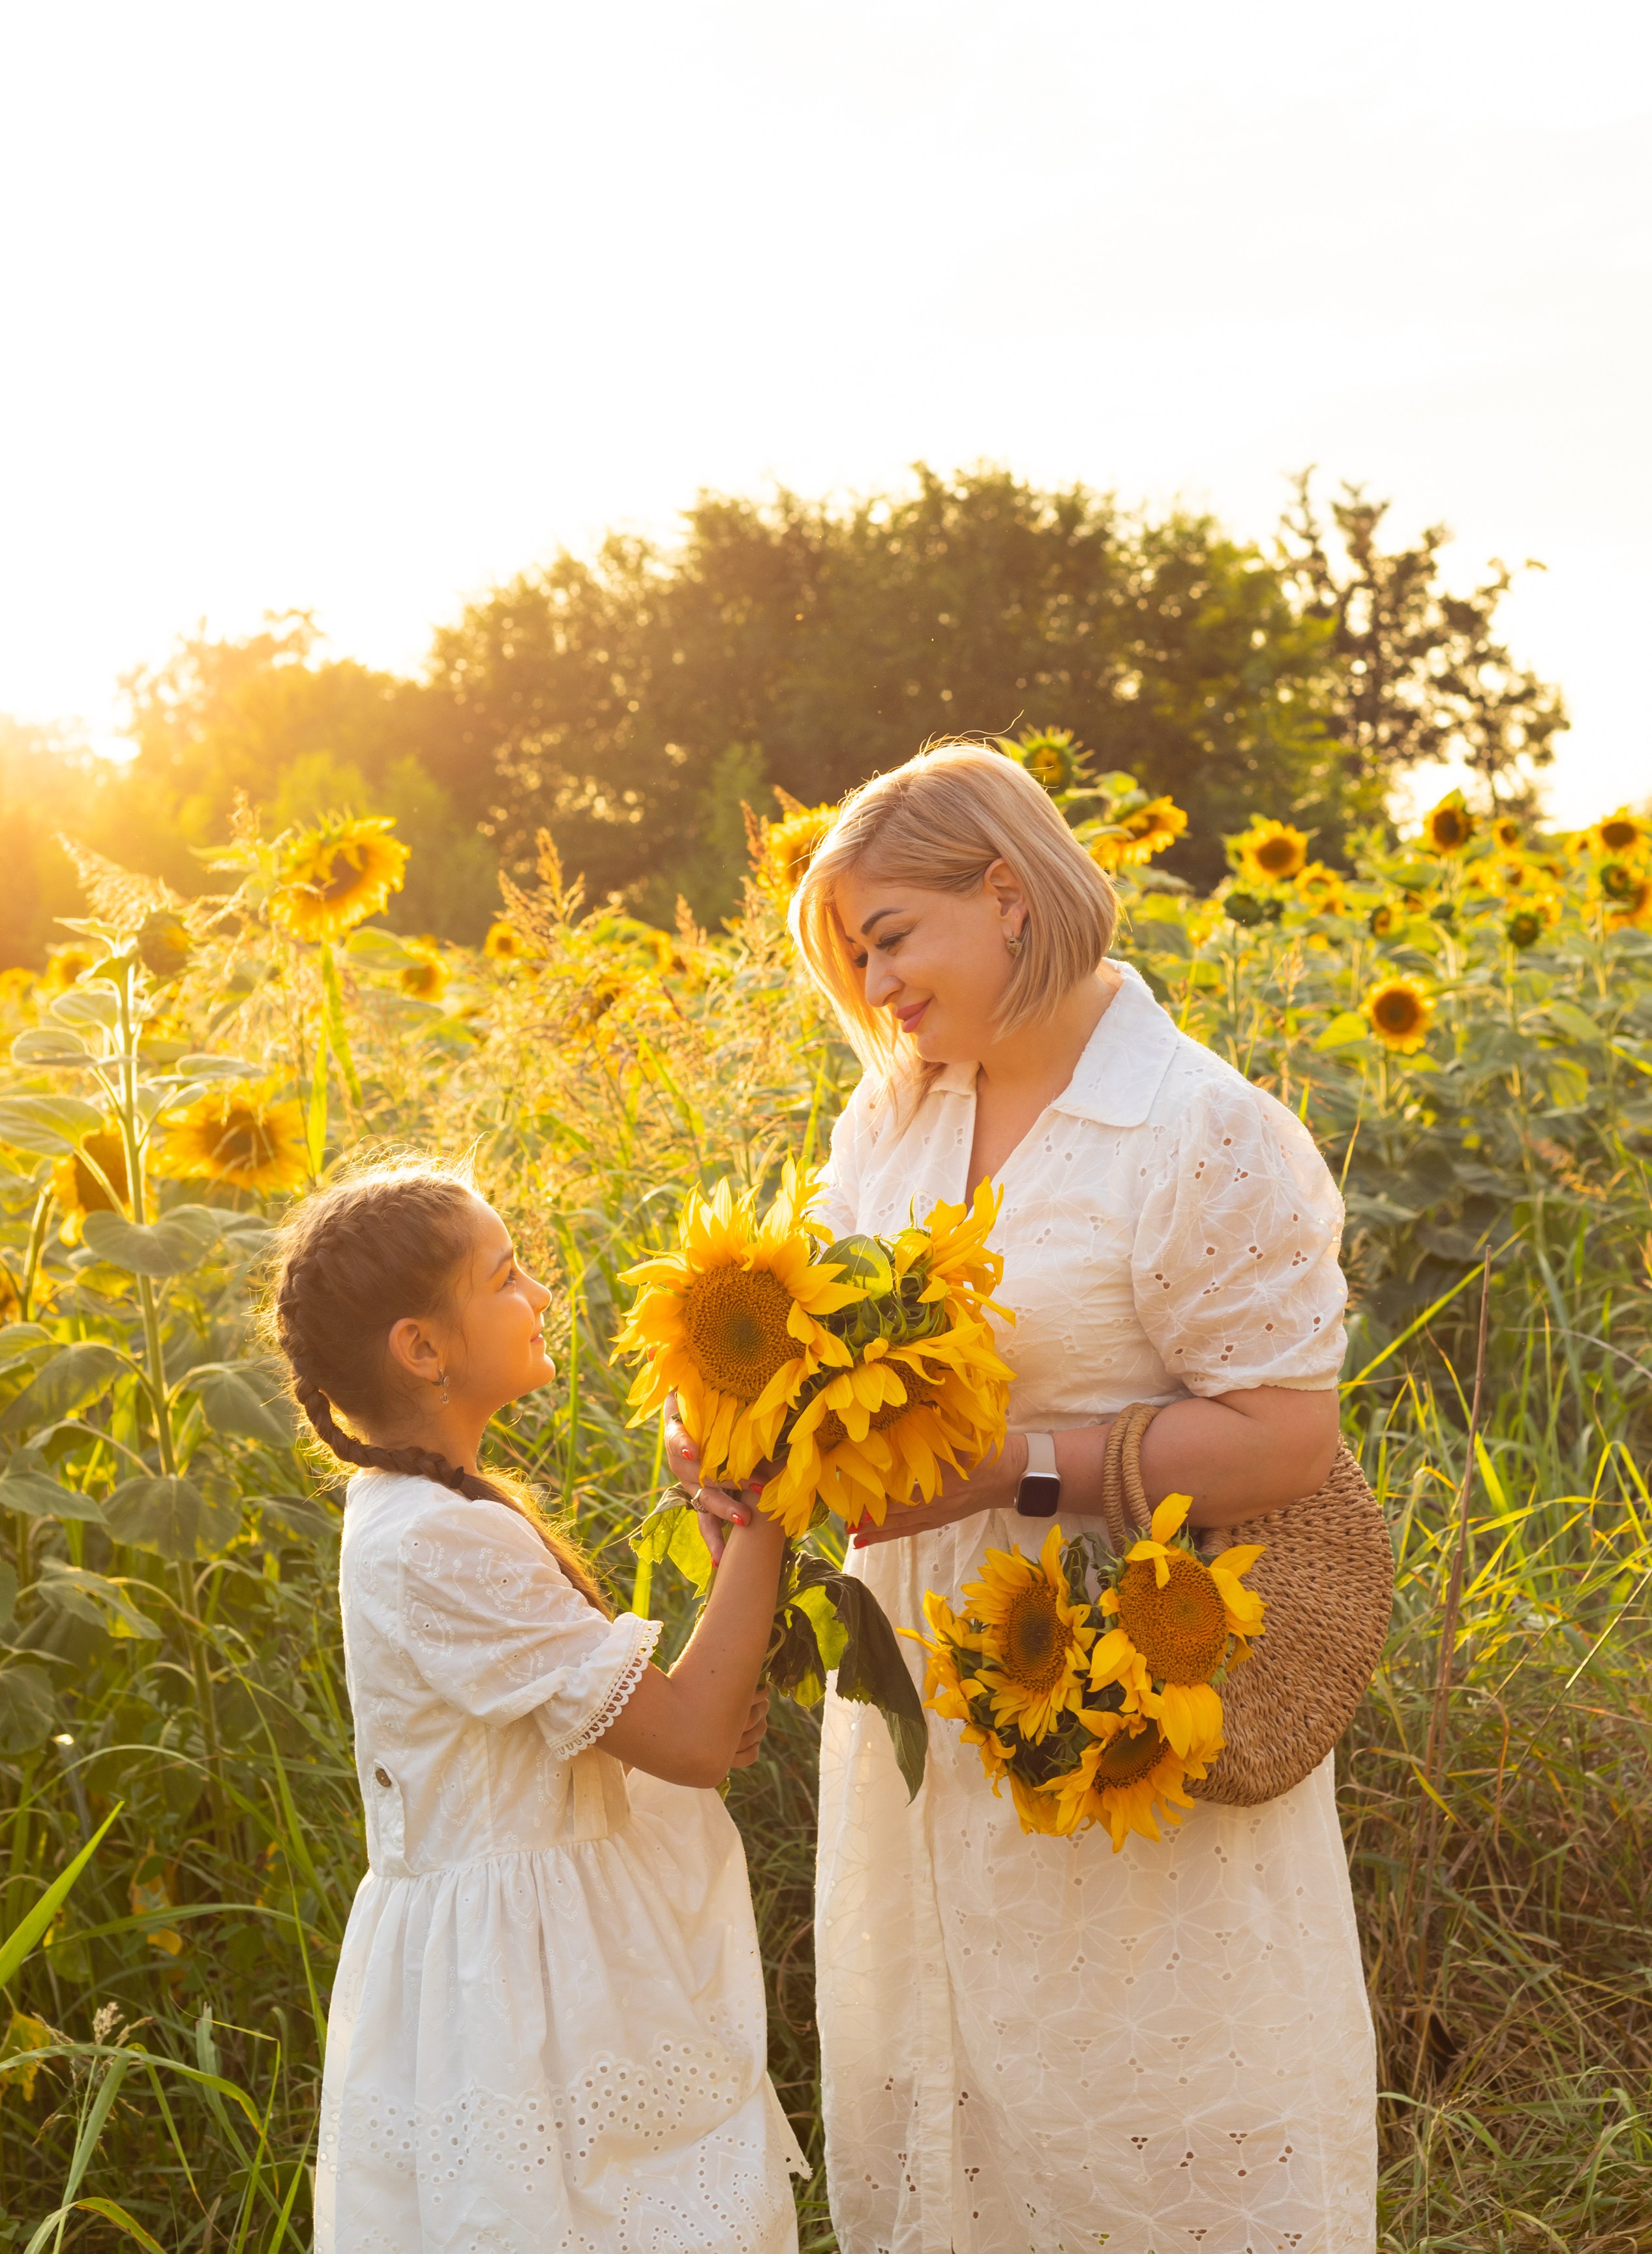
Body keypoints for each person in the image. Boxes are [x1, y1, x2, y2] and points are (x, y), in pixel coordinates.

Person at [672, 744, 1378, 2254]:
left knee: (1144, 2073)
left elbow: (1283, 1439)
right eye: (853, 959)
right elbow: (822, 1345)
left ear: (1005, 897)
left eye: (888, 939)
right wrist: (746, 1430)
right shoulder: (898, 1121)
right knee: (946, 2061)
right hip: (927, 1676)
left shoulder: (1197, 1128)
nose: (873, 988)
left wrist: (1012, 1471)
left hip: (1130, 1663)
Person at [270, 1160, 806, 2253]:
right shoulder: (436, 1538)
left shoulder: (421, 1510)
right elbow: (696, 1741)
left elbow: (650, 1724)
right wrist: (766, 1507)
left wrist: (679, 1704)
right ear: (422, 1350)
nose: (543, 1298)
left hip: (523, 1945)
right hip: (523, 1990)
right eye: (508, 1276)